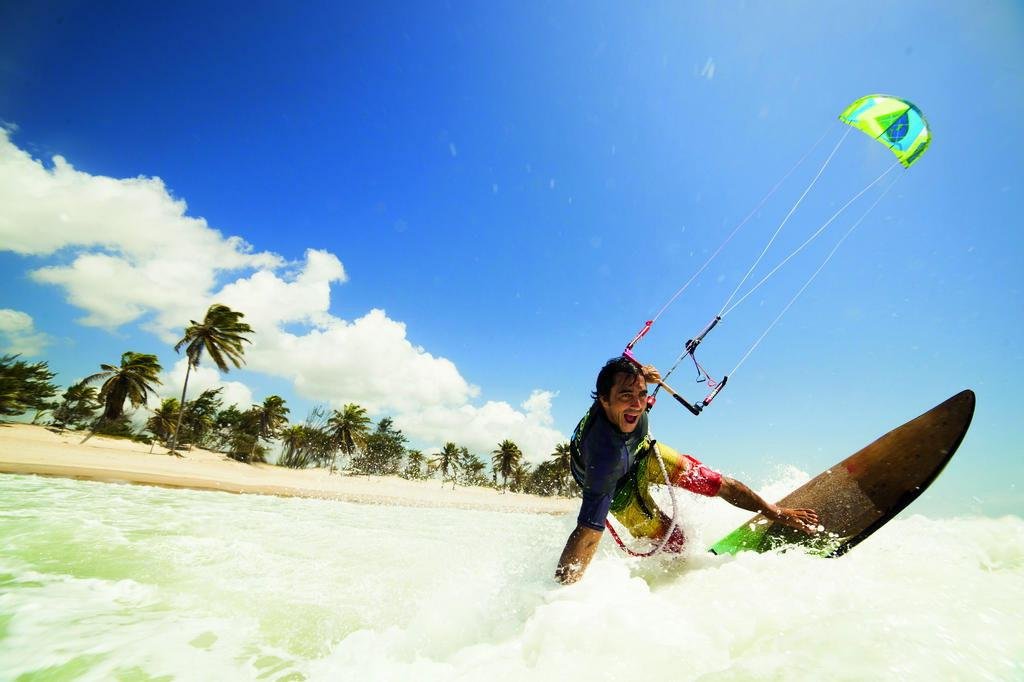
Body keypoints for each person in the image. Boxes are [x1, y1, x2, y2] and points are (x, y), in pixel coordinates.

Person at [555, 356, 819, 584]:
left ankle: (774, 512)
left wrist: (644, 378)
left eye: (641, 393)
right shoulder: (604, 462)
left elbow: (631, 385)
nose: (637, 403)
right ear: (604, 400)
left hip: (642, 452)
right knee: (675, 541)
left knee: (716, 483)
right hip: (619, 489)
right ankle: (673, 583)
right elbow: (587, 534)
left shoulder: (626, 396)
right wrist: (561, 597)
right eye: (626, 396)